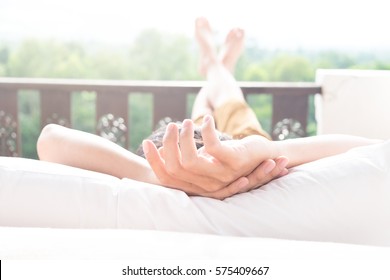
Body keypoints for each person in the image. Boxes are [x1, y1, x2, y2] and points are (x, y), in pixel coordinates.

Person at [37, 18, 287, 199]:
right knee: (225, 101)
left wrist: (157, 176)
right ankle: (216, 66)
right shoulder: (258, 159)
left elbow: (50, 140)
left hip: (224, 145)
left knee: (205, 115)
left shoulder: (148, 181)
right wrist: (265, 150)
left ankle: (216, 65)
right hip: (240, 149)